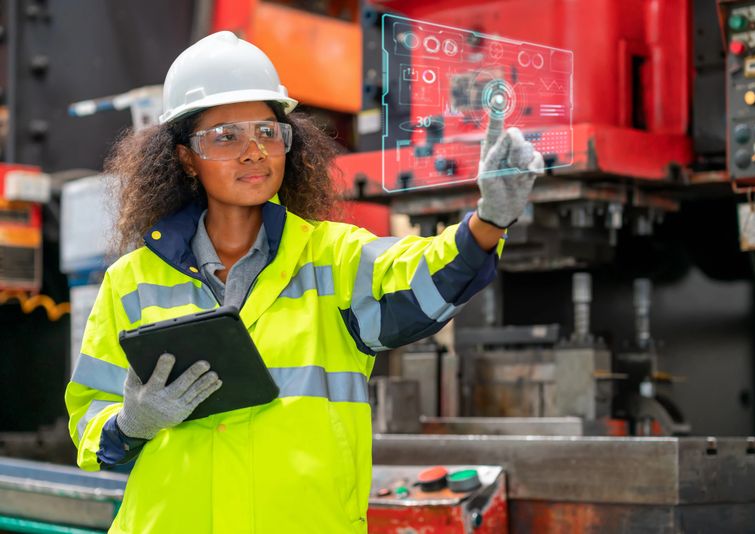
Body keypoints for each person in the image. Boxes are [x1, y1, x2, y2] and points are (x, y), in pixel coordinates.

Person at [65, 31, 542, 533]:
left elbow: (425, 276)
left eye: (268, 132)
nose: (254, 152)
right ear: (186, 157)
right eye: (225, 136)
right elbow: (88, 426)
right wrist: (130, 423)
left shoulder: (333, 258)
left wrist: (489, 220)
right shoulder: (131, 281)